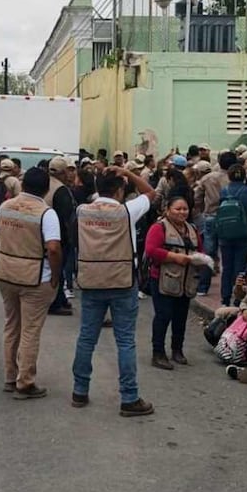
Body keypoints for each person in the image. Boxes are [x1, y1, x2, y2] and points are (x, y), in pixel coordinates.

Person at [71, 165, 157, 417]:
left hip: (91, 280)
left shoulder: (82, 210)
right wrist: (127, 173)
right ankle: (129, 397)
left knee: (87, 338)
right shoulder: (127, 211)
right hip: (122, 281)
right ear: (120, 191)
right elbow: (151, 192)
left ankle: (79, 390)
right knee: (125, 341)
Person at [0, 168, 62, 400]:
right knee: (30, 330)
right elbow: (53, 248)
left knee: (12, 325)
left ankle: (10, 376)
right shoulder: (47, 214)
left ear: (23, 185)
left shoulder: (3, 207)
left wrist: (0, 258)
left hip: (6, 274)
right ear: (46, 189)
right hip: (35, 277)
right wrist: (55, 275)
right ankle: (25, 382)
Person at [145, 194, 204, 370]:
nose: (182, 212)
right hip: (163, 279)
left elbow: (200, 250)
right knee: (163, 315)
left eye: (185, 209)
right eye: (178, 209)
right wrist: (174, 257)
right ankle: (158, 353)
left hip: (186, 281)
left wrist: (200, 260)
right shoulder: (159, 227)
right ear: (168, 210)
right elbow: (151, 250)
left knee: (181, 316)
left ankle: (177, 350)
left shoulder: (192, 229)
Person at [194, 151, 237, 296]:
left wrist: (202, 209)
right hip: (230, 218)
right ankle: (230, 286)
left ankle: (203, 287)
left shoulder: (207, 178)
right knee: (228, 252)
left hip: (211, 216)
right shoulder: (235, 179)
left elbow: (197, 197)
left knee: (209, 252)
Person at [217, 164, 247, 306]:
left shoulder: (224, 191)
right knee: (241, 266)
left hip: (225, 234)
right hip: (244, 234)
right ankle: (238, 297)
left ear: (229, 176)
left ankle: (225, 298)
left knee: (226, 267)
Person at [46, 156, 77, 316]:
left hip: (43, 233)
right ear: (63, 172)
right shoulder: (61, 190)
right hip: (58, 236)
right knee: (58, 269)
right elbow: (66, 217)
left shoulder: (45, 184)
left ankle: (60, 299)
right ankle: (56, 302)